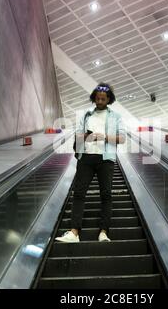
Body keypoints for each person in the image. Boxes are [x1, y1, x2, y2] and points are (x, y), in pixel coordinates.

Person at [56, 83, 125, 243]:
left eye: (103, 99)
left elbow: (121, 139)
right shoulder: (86, 115)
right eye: (97, 98)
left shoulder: (116, 117)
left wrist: (104, 137)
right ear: (94, 98)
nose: (100, 101)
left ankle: (103, 232)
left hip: (105, 158)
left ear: (109, 100)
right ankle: (74, 233)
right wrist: (85, 138)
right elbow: (78, 136)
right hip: (86, 157)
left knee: (106, 195)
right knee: (79, 193)